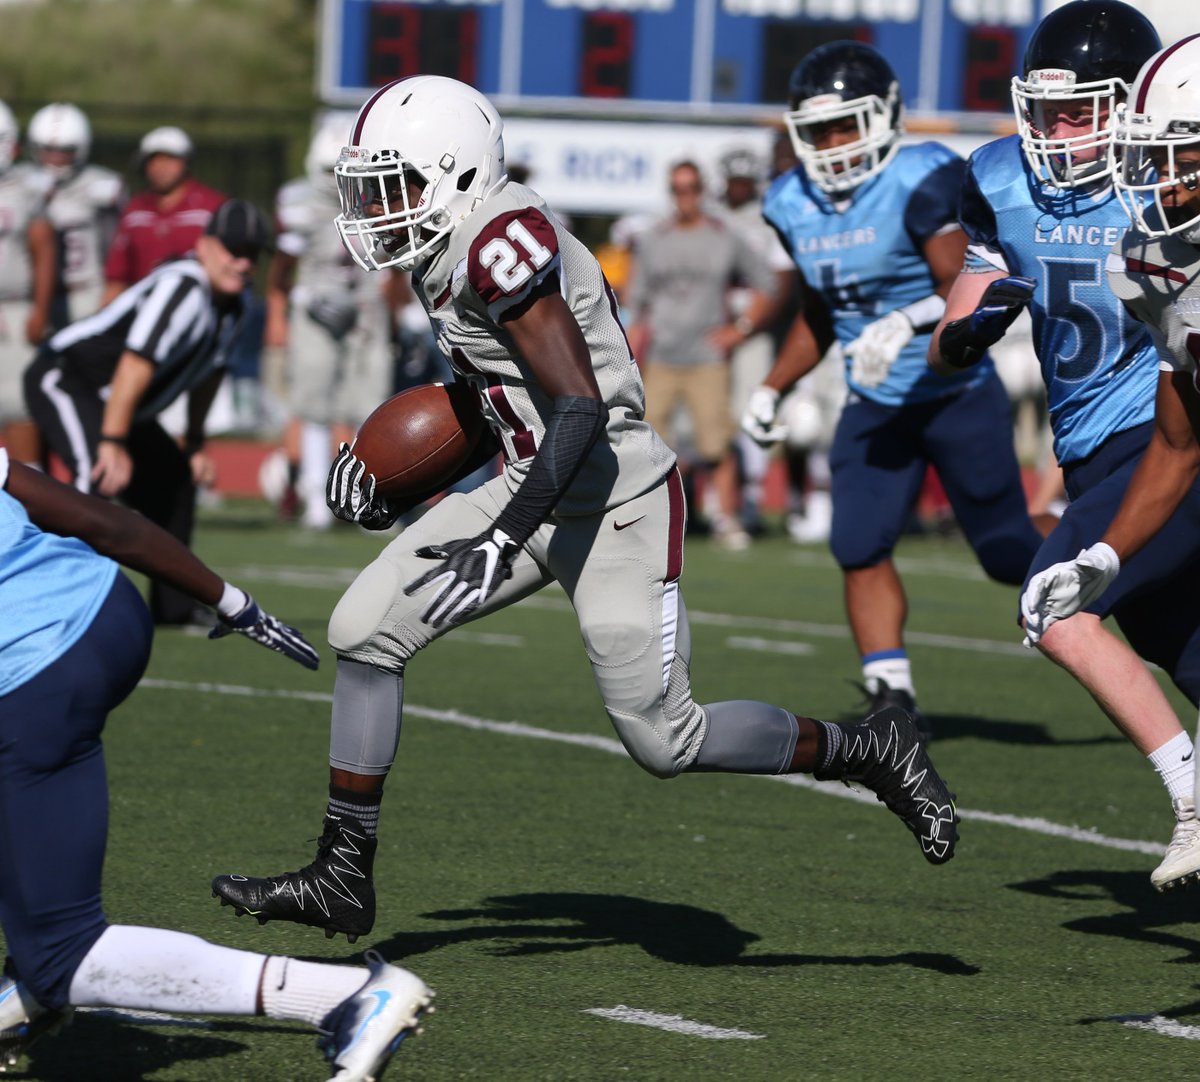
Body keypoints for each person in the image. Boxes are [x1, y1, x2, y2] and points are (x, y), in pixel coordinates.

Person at [210, 75, 959, 943]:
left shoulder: (500, 242)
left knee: (664, 740)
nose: (381, 208)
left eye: (398, 184)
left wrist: (501, 534)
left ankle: (867, 749)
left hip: (614, 493)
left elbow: (577, 407)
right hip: (532, 477)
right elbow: (495, 392)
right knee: (364, 628)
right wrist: (391, 474)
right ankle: (342, 873)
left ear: (455, 174)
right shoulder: (442, 241)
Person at [0, 447, 433, 1080]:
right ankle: (27, 993)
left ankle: (345, 998)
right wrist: (230, 600)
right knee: (35, 885)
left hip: (32, 664)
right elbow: (104, 522)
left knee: (62, 948)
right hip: (107, 611)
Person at [927, 3, 1200, 893]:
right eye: (1046, 112)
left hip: (1162, 435)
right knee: (1186, 650)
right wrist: (968, 331)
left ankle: (1192, 805)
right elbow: (960, 313)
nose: (1058, 133)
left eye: (1081, 110)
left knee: (1056, 609)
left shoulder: (1165, 175)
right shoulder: (1001, 180)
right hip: (1090, 445)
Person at [741, 41, 1043, 729]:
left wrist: (902, 321)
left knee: (1005, 556)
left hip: (952, 391)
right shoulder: (790, 202)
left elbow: (965, 283)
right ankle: (891, 694)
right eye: (819, 130)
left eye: (847, 124)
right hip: (875, 402)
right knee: (857, 543)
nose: (834, 143)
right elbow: (821, 309)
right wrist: (773, 386)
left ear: (885, 117)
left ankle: (1092, 548)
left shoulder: (922, 177)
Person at [1019, 33, 1200, 874]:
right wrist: (1103, 553)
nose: (1161, 185)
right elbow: (1177, 440)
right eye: (1154, 160)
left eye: (1183, 160)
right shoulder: (1158, 264)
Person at [23, 198, 270, 627]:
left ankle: (173, 609)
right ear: (207, 245)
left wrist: (193, 442)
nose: (243, 263)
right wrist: (113, 443)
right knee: (93, 481)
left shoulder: (238, 306)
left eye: (252, 254)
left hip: (116, 403)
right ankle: (44, 601)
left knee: (174, 480)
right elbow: (135, 364)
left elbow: (210, 375)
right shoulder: (183, 286)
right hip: (66, 378)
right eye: (234, 249)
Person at [624, 159, 777, 550]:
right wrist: (628, 355)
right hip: (662, 355)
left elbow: (767, 282)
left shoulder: (723, 235)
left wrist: (739, 329)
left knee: (715, 443)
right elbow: (635, 304)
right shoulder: (655, 238)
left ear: (703, 191)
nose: (685, 197)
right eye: (678, 189)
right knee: (648, 443)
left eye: (691, 188)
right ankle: (652, 520)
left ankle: (727, 517)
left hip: (707, 355)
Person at [265, 113, 397, 529]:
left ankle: (374, 499)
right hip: (317, 306)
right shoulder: (299, 203)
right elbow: (283, 265)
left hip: (366, 307)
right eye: (330, 170)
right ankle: (319, 500)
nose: (338, 180)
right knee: (314, 401)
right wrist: (289, 302)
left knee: (373, 403)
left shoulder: (380, 197)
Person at [716, 147, 797, 536]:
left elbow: (779, 283)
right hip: (712, 324)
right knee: (712, 416)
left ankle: (749, 499)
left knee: (752, 408)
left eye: (745, 182)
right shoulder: (710, 216)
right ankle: (718, 502)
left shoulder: (768, 218)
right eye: (734, 181)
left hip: (755, 324)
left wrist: (749, 324)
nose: (739, 189)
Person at [25, 102, 124, 328]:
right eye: (47, 150)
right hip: (35, 296)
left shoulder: (102, 184)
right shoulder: (24, 184)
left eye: (64, 151)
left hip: (85, 290)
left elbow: (116, 242)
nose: (54, 158)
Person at [101, 125, 227, 303]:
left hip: (200, 307)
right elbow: (117, 277)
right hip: (144, 310)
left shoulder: (211, 207)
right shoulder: (135, 211)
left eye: (170, 159)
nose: (161, 167)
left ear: (185, 162)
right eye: (155, 160)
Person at [0, 99, 55, 465]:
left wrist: (40, 309)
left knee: (19, 405)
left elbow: (45, 251)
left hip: (15, 304)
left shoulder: (27, 187)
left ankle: (28, 492)